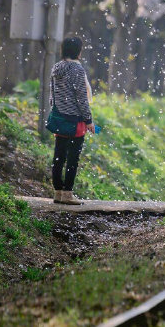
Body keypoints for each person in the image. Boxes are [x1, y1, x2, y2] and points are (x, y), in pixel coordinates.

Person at [50, 36, 95, 205]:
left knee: (58, 156)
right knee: (73, 158)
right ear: (78, 51)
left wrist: (56, 111)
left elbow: (52, 94)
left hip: (59, 117)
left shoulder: (56, 68)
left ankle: (58, 192)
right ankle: (68, 193)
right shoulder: (77, 69)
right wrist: (88, 119)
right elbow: (81, 98)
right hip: (75, 120)